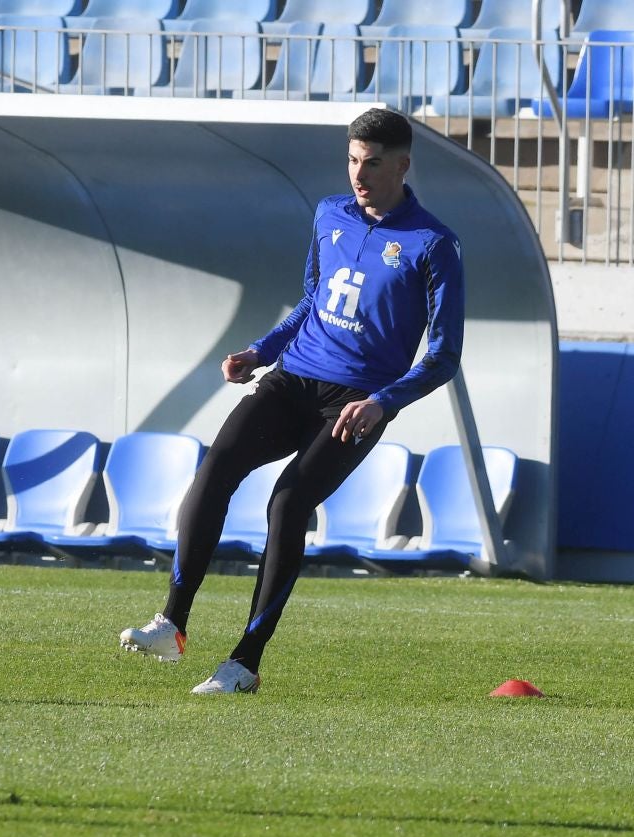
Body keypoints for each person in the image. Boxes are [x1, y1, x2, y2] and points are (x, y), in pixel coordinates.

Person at [117, 108, 463, 695]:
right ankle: (172, 624)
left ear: (402, 165)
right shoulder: (329, 214)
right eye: (353, 160)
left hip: (355, 402)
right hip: (293, 378)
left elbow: (444, 355)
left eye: (373, 163)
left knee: (287, 504)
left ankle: (244, 662)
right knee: (217, 467)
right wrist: (260, 351)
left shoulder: (433, 243)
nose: (360, 173)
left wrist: (384, 402)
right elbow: (310, 302)